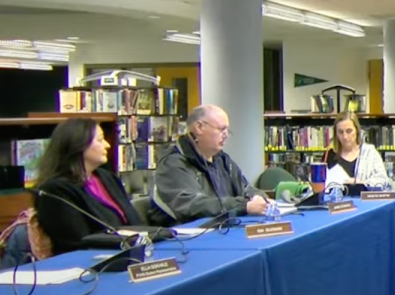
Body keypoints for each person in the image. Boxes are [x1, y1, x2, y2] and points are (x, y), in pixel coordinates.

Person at [33, 118, 144, 254]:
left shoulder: (107, 178)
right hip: (92, 264)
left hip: (132, 253)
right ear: (79, 144)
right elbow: (77, 242)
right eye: (100, 140)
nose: (107, 145)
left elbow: (135, 223)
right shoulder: (56, 190)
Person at [149, 104, 268, 225]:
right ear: (199, 127)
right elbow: (194, 205)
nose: (226, 135)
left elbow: (247, 188)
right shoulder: (173, 164)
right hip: (187, 237)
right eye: (221, 129)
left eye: (227, 130)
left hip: (223, 229)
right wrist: (243, 205)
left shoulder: (222, 160)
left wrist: (258, 198)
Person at [323, 111, 392, 188]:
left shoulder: (370, 152)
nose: (345, 136)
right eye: (340, 132)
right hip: (336, 199)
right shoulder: (329, 155)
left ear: (357, 131)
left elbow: (383, 180)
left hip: (363, 198)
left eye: (349, 131)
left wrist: (362, 183)